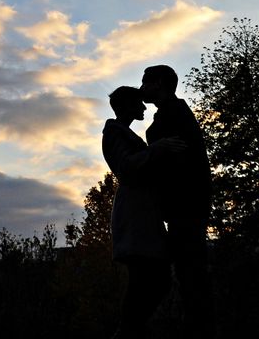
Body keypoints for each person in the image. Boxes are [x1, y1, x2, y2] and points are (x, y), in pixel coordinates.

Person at [102, 85, 186, 339]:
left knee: (156, 277)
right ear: (126, 105)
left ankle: (133, 328)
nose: (143, 107)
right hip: (135, 215)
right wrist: (157, 149)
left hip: (144, 213)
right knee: (146, 277)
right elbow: (126, 167)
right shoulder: (115, 134)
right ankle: (128, 330)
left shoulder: (124, 134)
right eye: (138, 103)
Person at [141, 64, 214, 339]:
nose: (142, 88)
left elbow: (180, 164)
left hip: (186, 208)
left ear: (158, 83)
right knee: (187, 275)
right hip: (183, 208)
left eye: (145, 82)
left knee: (191, 276)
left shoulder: (174, 116)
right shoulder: (173, 114)